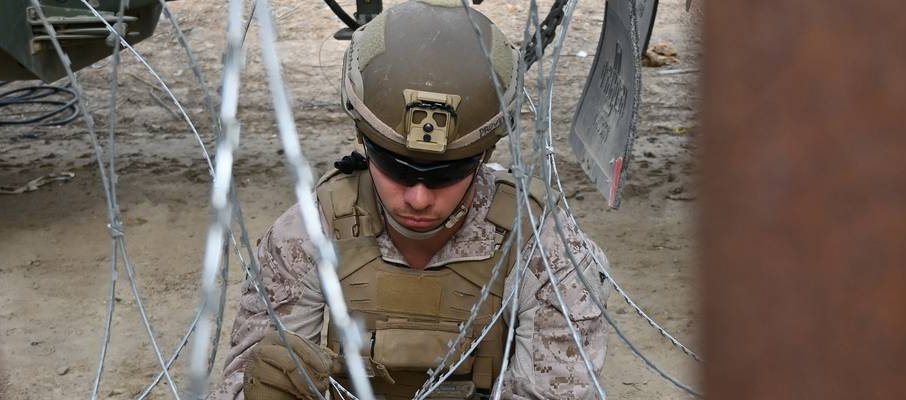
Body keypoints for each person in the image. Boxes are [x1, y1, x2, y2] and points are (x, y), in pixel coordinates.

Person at [212, 1, 609, 399]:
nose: (418, 198)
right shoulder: (307, 234)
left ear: (486, 155)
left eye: (446, 175)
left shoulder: (546, 248)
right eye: (397, 170)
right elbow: (246, 383)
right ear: (362, 142)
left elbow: (558, 391)